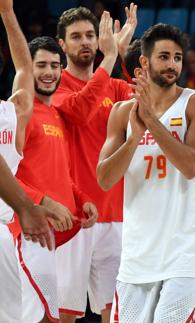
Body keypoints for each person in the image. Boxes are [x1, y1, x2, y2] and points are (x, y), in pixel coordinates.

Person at [98, 23, 195, 323]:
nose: (172, 64)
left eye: (177, 57)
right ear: (144, 62)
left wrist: (152, 122)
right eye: (164, 57)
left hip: (186, 249)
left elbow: (192, 166)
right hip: (138, 252)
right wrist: (134, 137)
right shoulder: (122, 112)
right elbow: (104, 178)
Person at [51, 5, 136, 322]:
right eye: (76, 37)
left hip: (117, 214)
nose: (85, 42)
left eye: (90, 35)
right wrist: (110, 58)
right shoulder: (54, 86)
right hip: (73, 216)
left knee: (119, 313)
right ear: (62, 45)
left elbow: (152, 104)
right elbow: (80, 110)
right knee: (63, 313)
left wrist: (122, 58)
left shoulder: (114, 87)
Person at [15, 35, 100, 323]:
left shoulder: (55, 116)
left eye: (54, 65)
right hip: (24, 234)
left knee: (53, 317)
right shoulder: (18, 113)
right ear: (27, 68)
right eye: (41, 65)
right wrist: (44, 202)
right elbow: (6, 175)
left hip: (53, 238)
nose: (49, 72)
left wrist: (82, 199)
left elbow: (61, 175)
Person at [0, 1, 58, 320]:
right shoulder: (14, 113)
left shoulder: (13, 112)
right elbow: (24, 69)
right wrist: (8, 13)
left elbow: (24, 69)